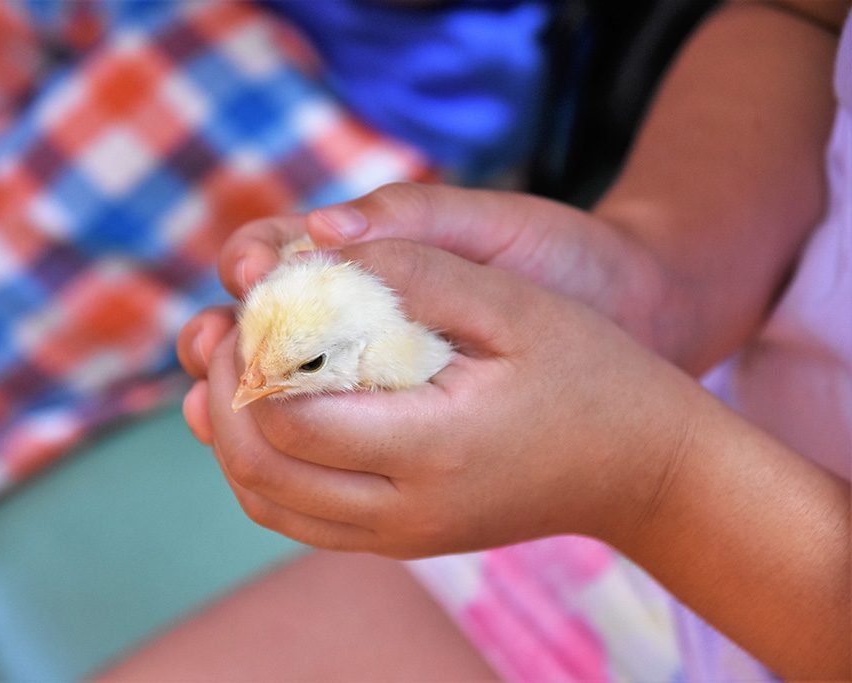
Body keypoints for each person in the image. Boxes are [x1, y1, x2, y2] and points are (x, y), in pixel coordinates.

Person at [173, 0, 851, 679]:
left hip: (706, 515)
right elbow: (799, 15)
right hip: (635, 435)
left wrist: (651, 482)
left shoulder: (631, 464)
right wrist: (655, 278)